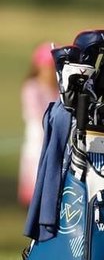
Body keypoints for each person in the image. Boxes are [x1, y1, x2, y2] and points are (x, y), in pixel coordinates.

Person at [18, 43, 59, 207]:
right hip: (38, 142)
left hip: (55, 140)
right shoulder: (32, 88)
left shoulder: (59, 89)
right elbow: (37, 116)